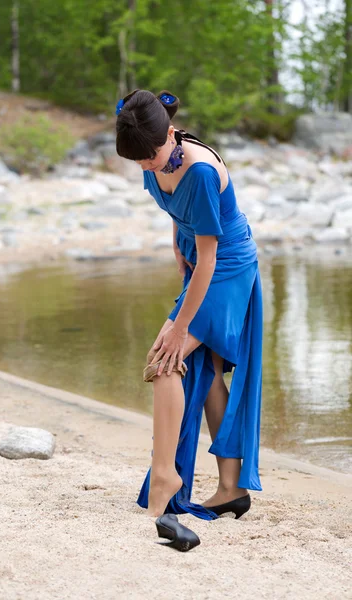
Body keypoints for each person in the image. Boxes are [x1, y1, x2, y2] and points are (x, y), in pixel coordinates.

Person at [115, 89, 263, 521]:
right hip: (200, 258)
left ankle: (166, 475)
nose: (146, 166)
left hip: (226, 268)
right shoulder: (153, 150)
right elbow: (178, 211)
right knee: (207, 370)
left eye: (150, 157)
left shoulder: (197, 170)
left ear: (171, 134)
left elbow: (213, 257)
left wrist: (180, 326)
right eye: (138, 161)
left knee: (165, 358)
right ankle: (231, 488)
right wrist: (177, 242)